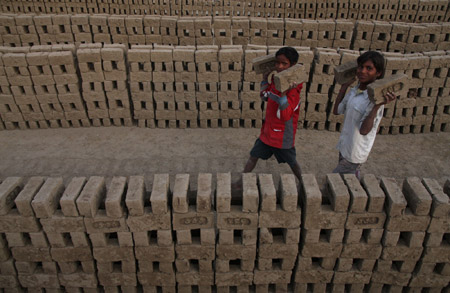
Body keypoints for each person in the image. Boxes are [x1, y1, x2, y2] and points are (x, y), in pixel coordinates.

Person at [238, 47, 304, 184]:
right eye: (277, 63)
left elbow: (285, 116)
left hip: (282, 136)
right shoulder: (275, 82)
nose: (279, 67)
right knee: (253, 156)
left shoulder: (294, 91)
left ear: (292, 66)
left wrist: (284, 94)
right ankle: (240, 182)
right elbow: (264, 96)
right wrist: (264, 79)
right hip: (268, 132)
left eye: (284, 64)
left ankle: (304, 183)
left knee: (292, 162)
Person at [332, 51, 396, 178]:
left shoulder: (375, 100)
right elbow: (337, 111)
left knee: (334, 179)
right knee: (346, 180)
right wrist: (344, 87)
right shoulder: (355, 90)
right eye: (361, 67)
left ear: (378, 73)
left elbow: (364, 130)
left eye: (369, 69)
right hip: (345, 145)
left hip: (355, 152)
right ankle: (355, 176)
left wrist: (377, 105)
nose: (362, 71)